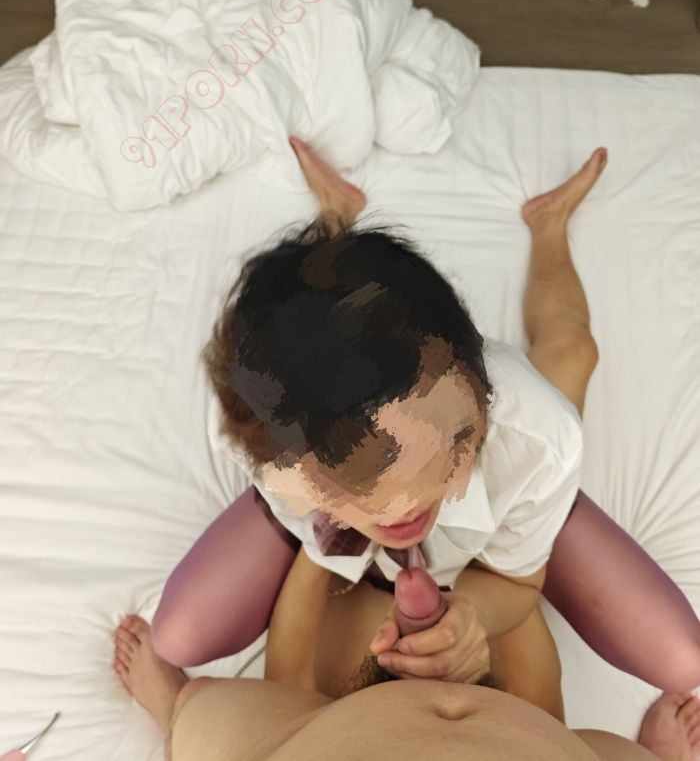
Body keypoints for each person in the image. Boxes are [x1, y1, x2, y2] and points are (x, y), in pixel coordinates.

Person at [149, 136, 700, 705]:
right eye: (360, 492)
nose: (399, 513)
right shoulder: (268, 435)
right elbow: (312, 562)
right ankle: (338, 216)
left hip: (505, 454)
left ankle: (548, 223)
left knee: (572, 352)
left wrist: (476, 614)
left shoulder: (534, 436)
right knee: (177, 637)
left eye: (422, 469)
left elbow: (519, 583)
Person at [111, 544, 700, 760]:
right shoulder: (536, 696)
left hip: (308, 735)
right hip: (545, 738)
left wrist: (323, 548)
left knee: (197, 710)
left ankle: (172, 710)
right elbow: (519, 579)